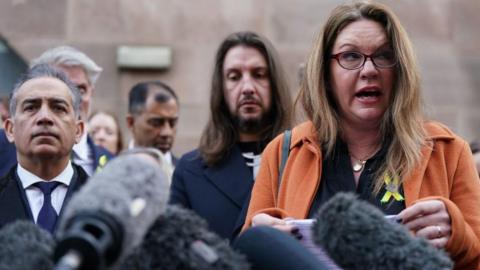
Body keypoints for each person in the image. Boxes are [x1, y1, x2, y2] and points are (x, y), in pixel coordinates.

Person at [243, 2, 480, 269]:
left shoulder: (448, 152)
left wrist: (456, 235)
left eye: (383, 55)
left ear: (400, 69)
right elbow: (241, 259)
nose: (369, 70)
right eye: (351, 57)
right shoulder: (283, 152)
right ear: (326, 74)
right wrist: (259, 236)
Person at [170, 31, 292, 241]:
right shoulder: (191, 170)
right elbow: (173, 249)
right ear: (221, 89)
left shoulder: (306, 160)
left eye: (259, 74)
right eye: (234, 77)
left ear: (274, 84)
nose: (247, 88)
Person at [0, 64, 88, 233]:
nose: (45, 117)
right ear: (10, 129)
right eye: (31, 107)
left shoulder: (108, 206)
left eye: (58, 108)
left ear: (78, 131)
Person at [29, 46, 113, 176]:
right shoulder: (6, 151)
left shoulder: (112, 165)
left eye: (81, 90)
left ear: (91, 93)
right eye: (63, 88)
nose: (74, 99)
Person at [126, 81, 179, 169]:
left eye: (172, 123)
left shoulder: (187, 176)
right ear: (131, 122)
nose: (167, 132)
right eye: (156, 123)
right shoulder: (108, 171)